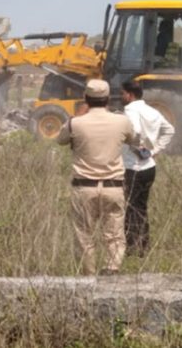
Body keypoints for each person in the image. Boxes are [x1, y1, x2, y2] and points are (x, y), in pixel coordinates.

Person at [56, 79, 137, 275]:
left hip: (84, 187)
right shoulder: (122, 121)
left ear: (86, 98)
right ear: (108, 98)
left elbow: (60, 140)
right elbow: (133, 139)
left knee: (84, 234)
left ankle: (88, 275)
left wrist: (78, 116)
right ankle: (112, 269)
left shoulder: (75, 123)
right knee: (115, 234)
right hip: (113, 186)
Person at [120, 80, 175, 256]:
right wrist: (154, 150)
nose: (122, 97)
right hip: (149, 167)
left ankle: (131, 247)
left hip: (132, 166)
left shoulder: (130, 110)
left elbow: (135, 130)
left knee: (130, 207)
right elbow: (170, 130)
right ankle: (144, 245)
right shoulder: (153, 111)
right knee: (142, 207)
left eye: (123, 93)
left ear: (129, 94)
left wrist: (137, 147)